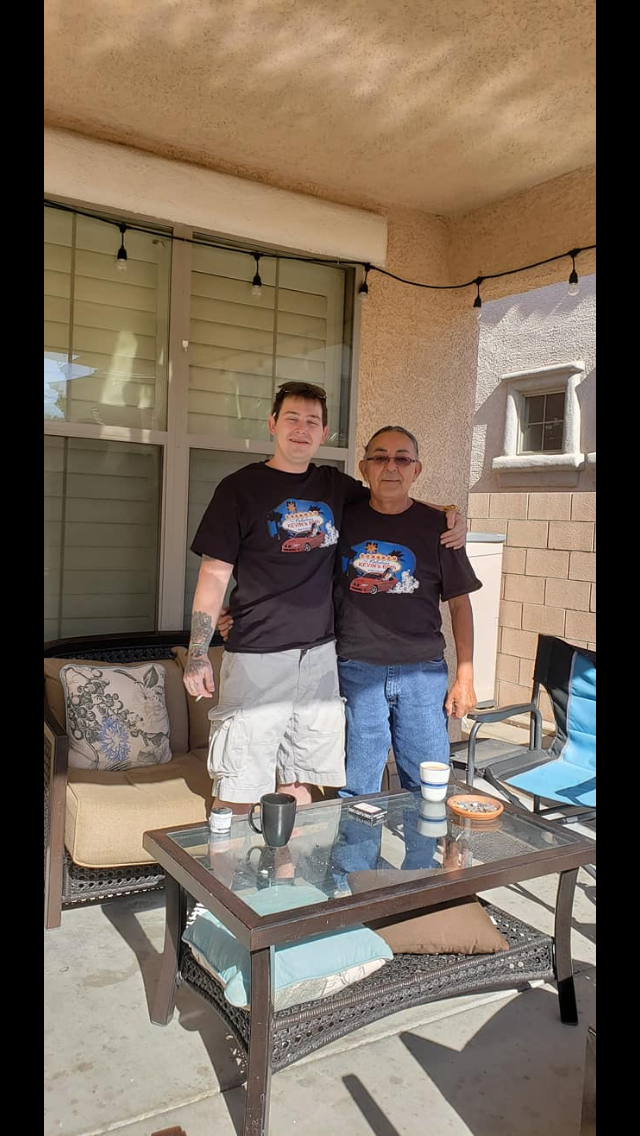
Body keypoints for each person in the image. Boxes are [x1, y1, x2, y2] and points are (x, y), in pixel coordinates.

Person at [184, 381, 465, 813]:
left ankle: (288, 859)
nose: (301, 429)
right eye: (292, 418)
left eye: (312, 421)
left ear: (324, 432)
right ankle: (228, 857)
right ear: (272, 424)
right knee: (239, 781)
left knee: (303, 781)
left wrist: (450, 513)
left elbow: (390, 494)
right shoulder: (238, 489)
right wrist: (198, 652)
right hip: (258, 656)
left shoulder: (333, 486)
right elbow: (214, 572)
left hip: (321, 659)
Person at [335, 425, 481, 797]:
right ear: (364, 467)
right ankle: (356, 841)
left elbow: (460, 604)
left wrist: (465, 678)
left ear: (417, 470)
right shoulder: (342, 521)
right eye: (380, 457)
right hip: (356, 670)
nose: (391, 467)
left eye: (402, 459)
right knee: (356, 790)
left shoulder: (441, 529)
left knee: (429, 788)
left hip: (423, 675)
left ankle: (425, 841)